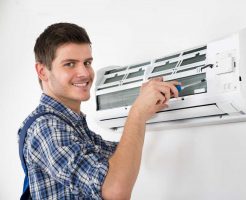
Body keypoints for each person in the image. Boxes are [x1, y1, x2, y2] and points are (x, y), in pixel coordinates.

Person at [18, 22, 180, 200]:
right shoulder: (47, 127)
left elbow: (120, 160)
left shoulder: (73, 125)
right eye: (70, 64)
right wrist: (137, 113)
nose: (84, 73)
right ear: (42, 71)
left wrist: (144, 109)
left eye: (87, 62)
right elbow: (115, 191)